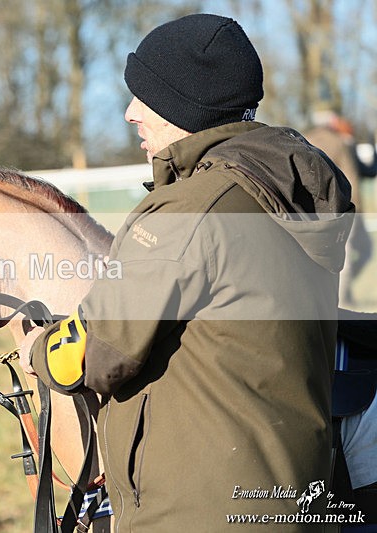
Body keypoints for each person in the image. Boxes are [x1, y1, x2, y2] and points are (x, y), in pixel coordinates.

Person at [20, 14, 355, 531]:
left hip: (196, 510)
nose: (131, 113)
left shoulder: (190, 209)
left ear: (185, 106)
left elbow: (101, 353)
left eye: (145, 98)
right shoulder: (283, 191)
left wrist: (38, 350)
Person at [305, 109, 373, 307]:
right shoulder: (339, 142)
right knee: (351, 255)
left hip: (315, 209)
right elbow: (352, 177)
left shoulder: (304, 139)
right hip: (344, 208)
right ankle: (341, 303)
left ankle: (337, 296)